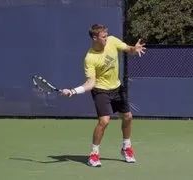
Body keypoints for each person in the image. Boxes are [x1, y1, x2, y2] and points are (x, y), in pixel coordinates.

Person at [60, 24, 146, 167]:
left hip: (117, 87)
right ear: (95, 38)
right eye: (103, 36)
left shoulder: (112, 41)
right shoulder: (90, 58)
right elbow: (90, 83)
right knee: (104, 121)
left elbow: (128, 49)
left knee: (128, 116)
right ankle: (94, 154)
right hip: (101, 90)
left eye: (106, 35)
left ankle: (126, 147)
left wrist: (134, 49)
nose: (106, 38)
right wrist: (73, 91)